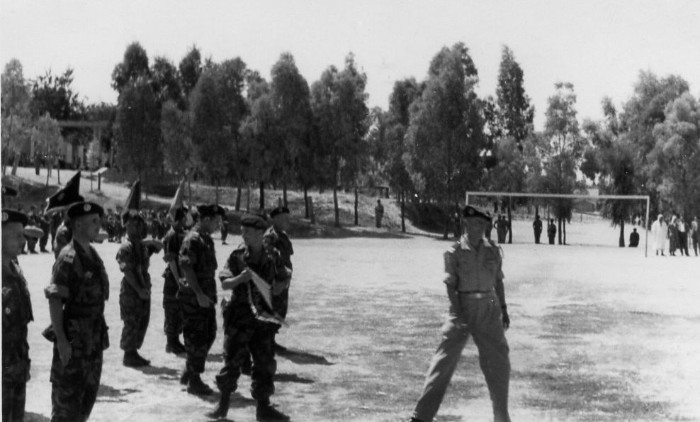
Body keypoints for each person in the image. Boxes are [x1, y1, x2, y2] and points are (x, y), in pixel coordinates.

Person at [407, 205, 511, 422]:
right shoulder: (454, 252)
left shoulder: (493, 250)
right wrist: (459, 312)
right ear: (466, 224)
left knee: (499, 363)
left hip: (488, 309)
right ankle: (421, 417)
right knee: (443, 362)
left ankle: (501, 416)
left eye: (482, 224)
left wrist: (503, 308)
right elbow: (450, 285)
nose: (478, 228)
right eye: (474, 224)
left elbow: (498, 282)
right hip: (462, 306)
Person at [208, 211, 291, 421]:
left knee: (264, 363)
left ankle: (263, 408)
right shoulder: (237, 255)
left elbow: (285, 276)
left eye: (247, 232)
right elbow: (225, 283)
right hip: (240, 318)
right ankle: (223, 406)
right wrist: (240, 279)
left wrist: (280, 286)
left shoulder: (273, 255)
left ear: (260, 233)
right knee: (232, 362)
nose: (243, 235)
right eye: (242, 231)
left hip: (263, 320)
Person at [44, 201, 110, 422]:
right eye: (93, 221)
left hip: (92, 341)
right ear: (78, 225)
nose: (98, 225)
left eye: (98, 221)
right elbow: (55, 300)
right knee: (66, 407)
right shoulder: (67, 257)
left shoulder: (92, 254)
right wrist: (61, 340)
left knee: (85, 403)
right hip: (73, 343)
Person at [178, 204, 225, 395]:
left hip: (205, 294)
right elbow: (187, 268)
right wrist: (198, 294)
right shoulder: (193, 239)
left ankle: (190, 370)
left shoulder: (205, 239)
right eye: (216, 221)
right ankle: (194, 380)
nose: (218, 225)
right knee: (196, 336)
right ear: (205, 220)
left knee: (209, 333)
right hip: (194, 297)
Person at [2, 209, 33, 422]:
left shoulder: (15, 269)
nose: (24, 241)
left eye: (23, 235)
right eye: (17, 236)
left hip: (17, 368)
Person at [162, 207, 189, 354]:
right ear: (179, 219)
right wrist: (179, 280)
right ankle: (171, 343)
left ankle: (175, 341)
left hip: (179, 276)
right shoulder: (172, 235)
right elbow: (171, 260)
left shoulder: (180, 234)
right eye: (184, 218)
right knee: (172, 309)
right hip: (173, 279)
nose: (186, 220)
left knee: (178, 310)